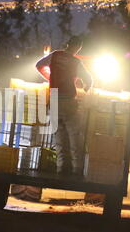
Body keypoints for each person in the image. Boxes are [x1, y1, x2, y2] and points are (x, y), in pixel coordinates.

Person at [36, 36, 93, 177]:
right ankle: (76, 170)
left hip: (55, 101)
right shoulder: (76, 62)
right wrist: (85, 89)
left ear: (67, 44)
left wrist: (50, 77)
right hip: (69, 102)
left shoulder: (55, 55)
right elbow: (89, 79)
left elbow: (39, 65)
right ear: (78, 47)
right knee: (74, 137)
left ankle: (61, 169)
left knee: (59, 137)